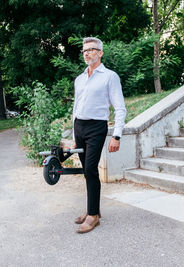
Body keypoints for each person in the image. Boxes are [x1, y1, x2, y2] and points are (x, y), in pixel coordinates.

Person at [72, 37, 126, 233]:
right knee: (87, 172)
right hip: (80, 127)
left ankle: (93, 216)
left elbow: (120, 108)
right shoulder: (80, 78)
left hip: (97, 127)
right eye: (84, 50)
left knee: (91, 170)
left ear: (100, 53)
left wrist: (117, 135)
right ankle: (92, 210)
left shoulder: (110, 77)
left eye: (92, 49)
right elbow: (75, 108)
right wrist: (73, 134)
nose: (87, 53)